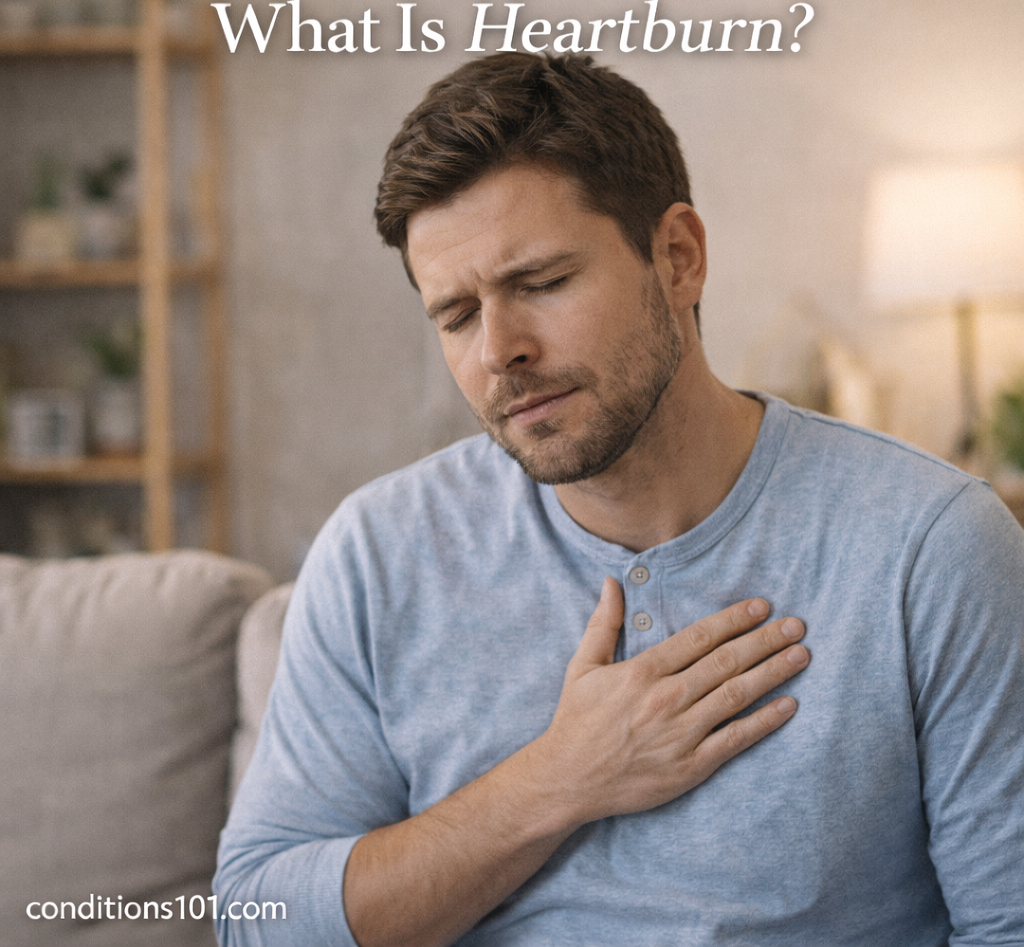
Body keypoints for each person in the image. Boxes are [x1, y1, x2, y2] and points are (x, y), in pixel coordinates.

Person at [214, 53, 1024, 947]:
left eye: (543, 283)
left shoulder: (929, 545)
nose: (498, 350)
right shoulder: (378, 551)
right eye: (456, 315)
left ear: (678, 258)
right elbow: (257, 918)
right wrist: (556, 779)